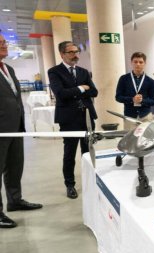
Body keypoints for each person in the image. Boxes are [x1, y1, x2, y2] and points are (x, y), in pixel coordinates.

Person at [0, 34, 42, 228]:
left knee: (15, 166)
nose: (4, 44)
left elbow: (15, 98)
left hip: (15, 128)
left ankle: (15, 200)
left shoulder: (8, 68)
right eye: (0, 42)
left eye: (4, 42)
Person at [48, 41, 98, 199]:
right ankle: (70, 185)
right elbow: (60, 94)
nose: (75, 55)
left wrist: (74, 92)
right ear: (62, 54)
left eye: (76, 51)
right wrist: (82, 89)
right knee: (69, 154)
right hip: (68, 119)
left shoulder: (83, 71)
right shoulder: (55, 72)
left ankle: (90, 181)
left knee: (88, 152)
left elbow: (95, 92)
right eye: (71, 52)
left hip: (86, 117)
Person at [115, 52, 154, 130]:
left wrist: (142, 101)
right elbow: (118, 97)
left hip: (146, 117)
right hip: (130, 117)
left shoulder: (150, 81)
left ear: (145, 63)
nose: (138, 64)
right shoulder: (124, 79)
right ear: (131, 63)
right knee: (130, 141)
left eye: (141, 62)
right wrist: (132, 99)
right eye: (135, 62)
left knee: (145, 141)